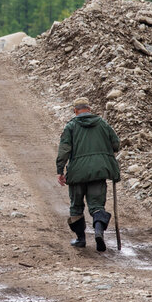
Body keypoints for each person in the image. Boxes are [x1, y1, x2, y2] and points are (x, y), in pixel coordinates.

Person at [56, 97, 120, 252]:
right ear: (89, 109)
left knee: (76, 207)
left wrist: (60, 170)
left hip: (77, 173)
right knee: (97, 206)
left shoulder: (71, 126)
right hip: (98, 172)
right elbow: (116, 144)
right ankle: (98, 232)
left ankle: (80, 239)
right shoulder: (102, 124)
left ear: (75, 110)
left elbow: (64, 150)